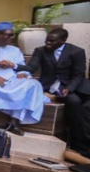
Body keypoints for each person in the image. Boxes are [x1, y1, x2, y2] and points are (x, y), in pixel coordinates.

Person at [19, 28, 90, 156]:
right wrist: (14, 66)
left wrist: (69, 88)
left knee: (75, 102)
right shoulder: (40, 51)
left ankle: (78, 143)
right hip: (48, 86)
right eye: (47, 41)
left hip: (67, 86)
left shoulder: (77, 52)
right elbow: (31, 67)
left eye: (52, 41)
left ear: (63, 40)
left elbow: (78, 74)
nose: (48, 44)